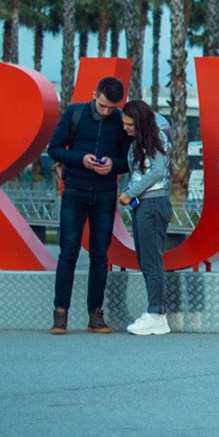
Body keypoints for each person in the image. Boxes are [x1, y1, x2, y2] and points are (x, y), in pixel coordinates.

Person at [46, 75, 131, 334]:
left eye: (111, 107)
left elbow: (128, 160)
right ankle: (60, 313)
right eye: (102, 105)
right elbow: (54, 149)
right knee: (68, 252)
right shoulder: (75, 113)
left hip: (105, 195)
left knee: (100, 255)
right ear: (95, 94)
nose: (106, 111)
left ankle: (96, 315)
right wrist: (80, 159)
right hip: (74, 191)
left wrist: (112, 166)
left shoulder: (120, 121)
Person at [117, 99, 173, 335]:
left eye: (129, 124)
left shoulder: (156, 136)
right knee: (146, 259)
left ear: (139, 122)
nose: (125, 128)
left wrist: (130, 193)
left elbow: (157, 170)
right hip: (146, 204)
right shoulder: (149, 137)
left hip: (152, 203)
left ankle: (156, 314)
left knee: (151, 260)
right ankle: (154, 312)